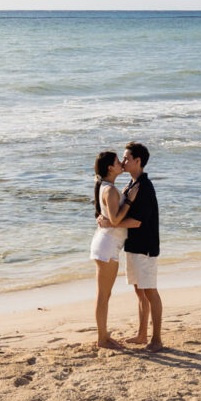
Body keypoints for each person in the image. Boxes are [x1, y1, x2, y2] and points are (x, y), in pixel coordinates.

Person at [98, 142, 161, 350]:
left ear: (138, 161)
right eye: (122, 159)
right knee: (140, 292)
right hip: (133, 246)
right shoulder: (131, 185)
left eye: (126, 158)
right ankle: (142, 335)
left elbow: (137, 222)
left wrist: (110, 222)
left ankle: (156, 339)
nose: (123, 162)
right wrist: (104, 217)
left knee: (150, 291)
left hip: (145, 247)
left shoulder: (143, 187)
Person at [89, 149, 140, 349]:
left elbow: (111, 219)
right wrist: (129, 199)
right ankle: (102, 339)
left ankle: (104, 335)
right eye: (118, 161)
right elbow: (116, 219)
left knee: (105, 295)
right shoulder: (109, 190)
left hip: (107, 244)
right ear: (110, 167)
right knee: (103, 296)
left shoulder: (107, 187)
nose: (122, 163)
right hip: (107, 246)